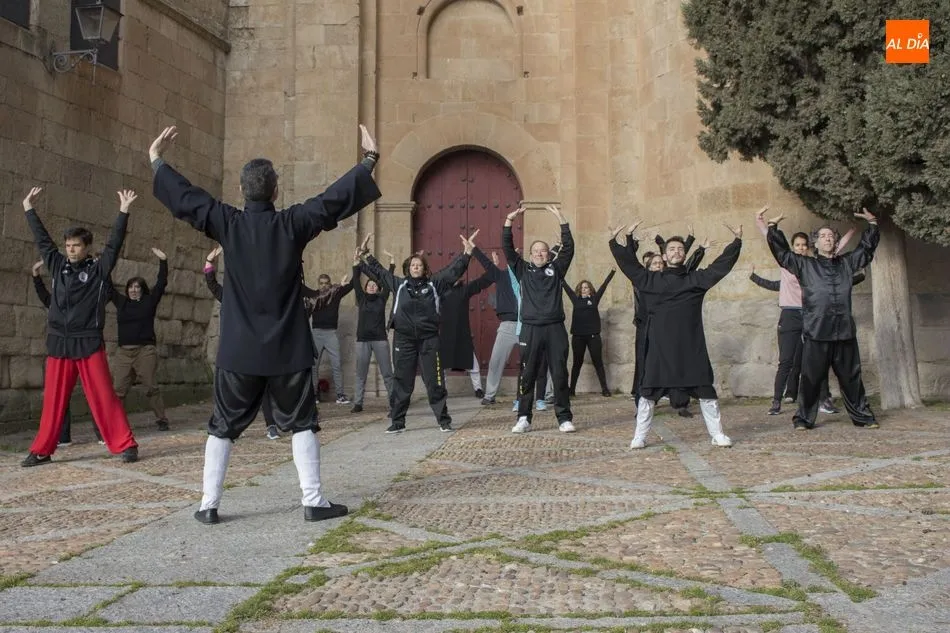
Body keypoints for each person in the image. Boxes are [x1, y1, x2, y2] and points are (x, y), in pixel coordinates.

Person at [149, 124, 381, 524]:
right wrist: (369, 160)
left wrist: (157, 161)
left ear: (243, 190)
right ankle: (313, 501)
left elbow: (189, 200)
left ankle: (208, 505)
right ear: (275, 192)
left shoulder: (227, 222)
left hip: (239, 349)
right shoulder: (292, 222)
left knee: (222, 426)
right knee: (303, 423)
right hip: (287, 348)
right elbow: (331, 202)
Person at [20, 187, 140, 467]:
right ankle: (42, 450)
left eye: (75, 245)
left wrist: (123, 211)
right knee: (53, 400)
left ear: (86, 247)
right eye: (68, 245)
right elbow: (43, 241)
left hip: (87, 341)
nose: (71, 249)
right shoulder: (57, 264)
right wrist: (29, 209)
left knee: (104, 396)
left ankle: (126, 444)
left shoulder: (98, 269)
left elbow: (114, 245)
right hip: (59, 342)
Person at [610, 221, 742, 449]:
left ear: (684, 254)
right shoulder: (650, 280)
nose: (676, 251)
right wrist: (614, 242)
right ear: (664, 255)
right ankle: (639, 437)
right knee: (648, 393)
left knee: (705, 391)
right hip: (660, 349)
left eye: (680, 249)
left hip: (690, 348)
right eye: (671, 249)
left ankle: (718, 434)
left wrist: (737, 242)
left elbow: (720, 267)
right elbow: (629, 265)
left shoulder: (695, 280)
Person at [765, 207, 880, 430]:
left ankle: (863, 417)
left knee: (852, 377)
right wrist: (773, 227)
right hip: (817, 332)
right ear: (815, 244)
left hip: (844, 332)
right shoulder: (805, 264)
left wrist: (873, 224)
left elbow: (866, 249)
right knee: (810, 379)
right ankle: (803, 419)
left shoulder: (847, 263)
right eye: (823, 236)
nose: (828, 238)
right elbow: (783, 255)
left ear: (835, 243)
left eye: (831, 236)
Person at [357, 232, 477, 433]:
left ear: (424, 269)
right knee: (402, 381)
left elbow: (452, 272)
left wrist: (466, 254)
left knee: (434, 381)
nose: (416, 267)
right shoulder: (399, 285)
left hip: (429, 339)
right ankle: (397, 422)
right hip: (404, 340)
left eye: (419, 265)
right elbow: (380, 273)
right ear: (408, 268)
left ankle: (443, 421)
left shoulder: (434, 284)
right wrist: (367, 255)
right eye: (413, 265)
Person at [752, 207, 857, 415]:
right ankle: (777, 401)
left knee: (819, 359)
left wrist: (853, 230)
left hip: (812, 315)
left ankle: (824, 400)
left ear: (809, 247)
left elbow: (836, 248)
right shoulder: (787, 263)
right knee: (787, 361)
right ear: (792, 247)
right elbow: (771, 240)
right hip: (791, 314)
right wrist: (763, 221)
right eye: (797, 245)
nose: (800, 248)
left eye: (803, 245)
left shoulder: (813, 265)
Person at [504, 204, 576, 434]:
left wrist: (561, 219)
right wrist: (508, 222)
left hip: (555, 328)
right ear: (530, 254)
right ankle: (524, 417)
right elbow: (507, 249)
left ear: (548, 254)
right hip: (531, 329)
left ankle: (564, 418)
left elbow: (569, 249)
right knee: (527, 374)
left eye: (543, 251)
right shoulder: (522, 269)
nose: (539, 254)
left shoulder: (556, 269)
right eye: (535, 251)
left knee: (559, 373)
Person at [30, 261, 100, 446]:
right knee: (60, 395)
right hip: (61, 348)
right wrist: (36, 277)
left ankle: (102, 433)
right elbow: (46, 298)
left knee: (95, 391)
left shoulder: (87, 296)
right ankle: (63, 436)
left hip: (85, 345)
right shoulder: (59, 301)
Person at [108, 247, 170, 431]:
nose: (134, 290)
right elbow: (108, 286)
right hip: (124, 353)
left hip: (145, 351)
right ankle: (116, 423)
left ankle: (162, 419)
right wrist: (103, 264)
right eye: (131, 287)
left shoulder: (149, 302)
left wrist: (163, 261)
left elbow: (161, 283)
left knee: (151, 386)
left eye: (137, 287)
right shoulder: (121, 302)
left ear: (142, 290)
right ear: (127, 289)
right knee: (118, 389)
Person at [438, 241, 495, 399]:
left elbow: (482, 282)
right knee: (441, 365)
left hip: (462, 332)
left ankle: (478, 389)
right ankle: (441, 390)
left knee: (472, 363)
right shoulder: (438, 291)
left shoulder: (464, 290)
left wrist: (494, 268)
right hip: (445, 333)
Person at [349, 236, 395, 414]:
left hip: (380, 340)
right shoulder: (361, 298)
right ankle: (358, 403)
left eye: (375, 285)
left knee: (387, 373)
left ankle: (393, 403)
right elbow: (355, 281)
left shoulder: (382, 298)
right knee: (361, 373)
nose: (372, 287)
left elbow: (388, 281)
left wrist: (392, 264)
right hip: (363, 340)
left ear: (378, 288)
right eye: (369, 285)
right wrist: (356, 263)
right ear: (366, 287)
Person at [563, 270, 615, 396]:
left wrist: (612, 272)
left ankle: (605, 389)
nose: (584, 289)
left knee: (598, 362)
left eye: (586, 287)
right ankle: (572, 389)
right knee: (577, 363)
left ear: (590, 289)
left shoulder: (594, 299)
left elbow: (604, 285)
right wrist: (558, 273)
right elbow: (565, 286)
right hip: (578, 336)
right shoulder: (575, 299)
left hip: (593, 336)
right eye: (582, 288)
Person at [480, 251, 520, 406]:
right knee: (496, 361)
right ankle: (489, 395)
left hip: (527, 324)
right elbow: (487, 264)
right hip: (507, 325)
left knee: (541, 359)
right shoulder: (502, 276)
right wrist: (474, 248)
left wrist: (557, 247)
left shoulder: (527, 277)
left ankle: (547, 394)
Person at [310, 272, 353, 405]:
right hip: (317, 333)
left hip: (331, 334)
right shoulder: (314, 296)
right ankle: (314, 396)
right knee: (313, 366)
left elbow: (352, 285)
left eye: (326, 283)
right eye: (321, 283)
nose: (324, 285)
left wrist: (357, 266)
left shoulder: (336, 294)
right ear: (318, 284)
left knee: (336, 364)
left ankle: (340, 395)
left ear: (330, 284)